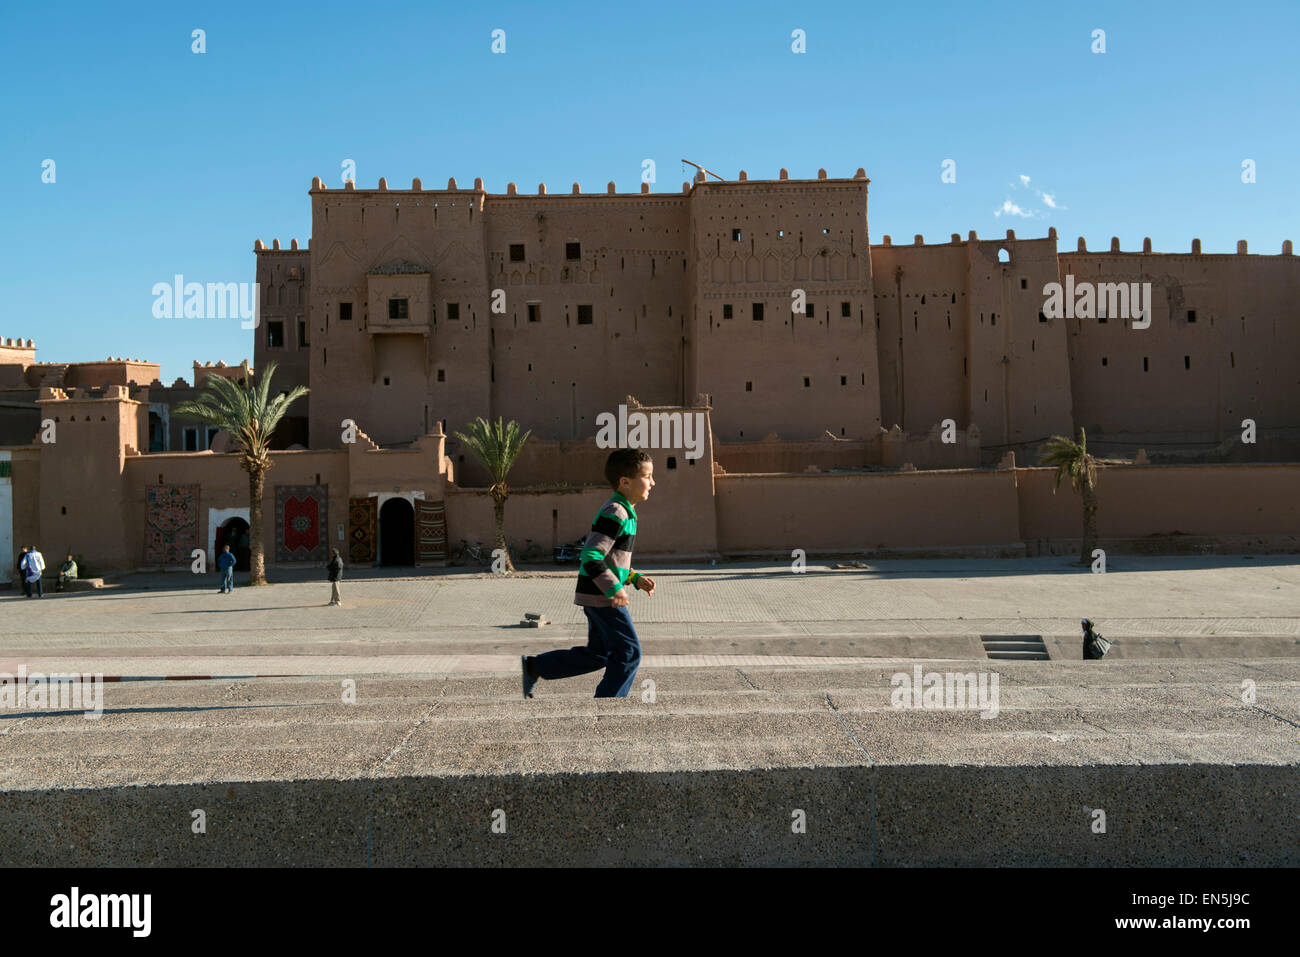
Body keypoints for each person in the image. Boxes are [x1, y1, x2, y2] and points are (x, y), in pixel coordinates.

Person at [522, 448, 656, 699]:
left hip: (597, 594)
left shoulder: (625, 511)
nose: (652, 482)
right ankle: (608, 705)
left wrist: (634, 578)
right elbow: (591, 555)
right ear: (625, 482)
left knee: (600, 654)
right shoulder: (615, 512)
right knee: (629, 652)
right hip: (602, 596)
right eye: (647, 476)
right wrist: (613, 588)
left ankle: (535, 667)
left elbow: (611, 560)